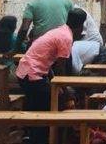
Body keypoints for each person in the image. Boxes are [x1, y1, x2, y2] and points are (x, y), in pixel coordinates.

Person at [15, 8, 86, 144]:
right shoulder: (66, 37)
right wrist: (66, 93)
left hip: (26, 72)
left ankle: (34, 136)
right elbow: (60, 69)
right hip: (32, 75)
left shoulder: (60, 30)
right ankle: (47, 138)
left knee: (40, 105)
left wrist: (58, 86)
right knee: (51, 105)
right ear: (80, 27)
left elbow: (50, 65)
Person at [10, 0, 74, 54]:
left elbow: (24, 29)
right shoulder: (67, 2)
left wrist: (16, 48)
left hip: (40, 45)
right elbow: (73, 22)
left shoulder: (33, 4)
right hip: (63, 44)